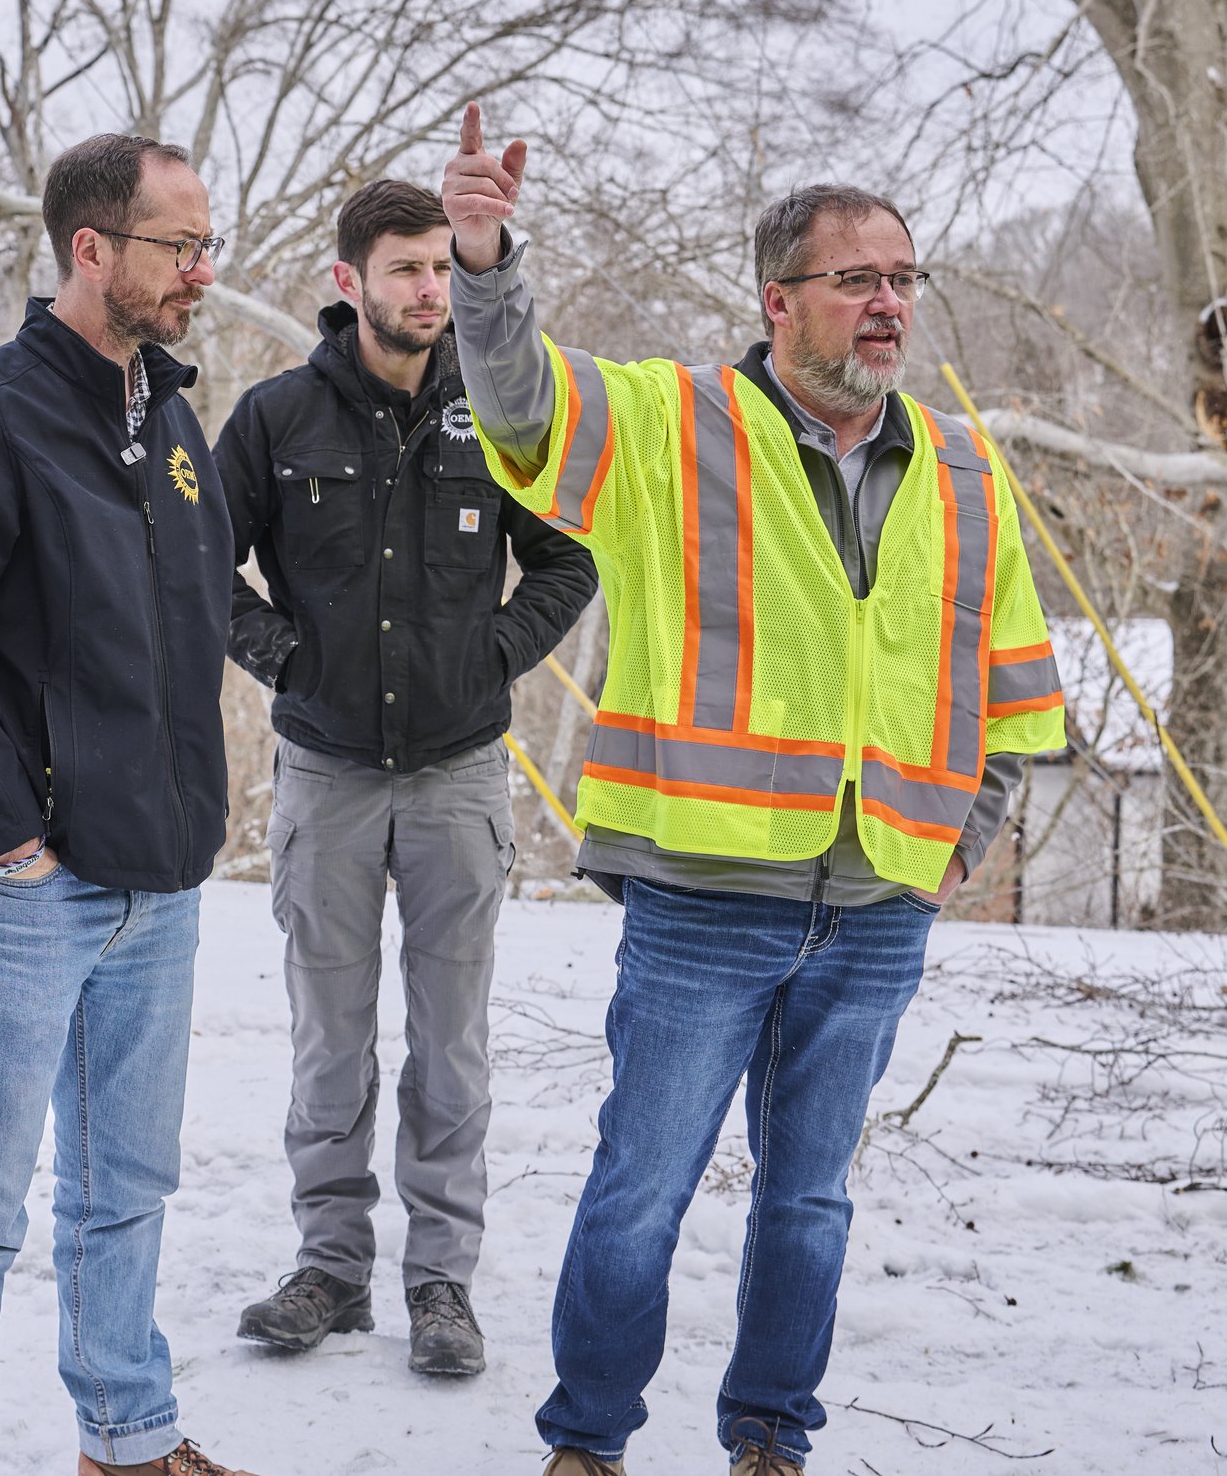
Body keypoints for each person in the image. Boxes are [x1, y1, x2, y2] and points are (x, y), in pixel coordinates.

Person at [438, 105, 1065, 1475]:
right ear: (780, 302)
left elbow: (1013, 687)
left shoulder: (963, 466)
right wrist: (484, 260)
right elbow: (521, 406)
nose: (889, 302)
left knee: (810, 1204)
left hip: (882, 904)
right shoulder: (673, 422)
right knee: (638, 1194)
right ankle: (589, 1441)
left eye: (903, 277)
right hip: (702, 898)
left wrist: (957, 843)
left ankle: (772, 1436)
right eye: (859, 279)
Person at [0, 133, 262, 1476]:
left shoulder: (173, 419)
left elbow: (188, 622)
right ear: (89, 249)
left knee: (125, 1194)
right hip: (19, 891)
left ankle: (128, 1436)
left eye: (208, 243)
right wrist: (9, 837)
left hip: (157, 881)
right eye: (178, 246)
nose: (202, 271)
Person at [212, 179, 596, 1375]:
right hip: (324, 777)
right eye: (407, 268)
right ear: (350, 283)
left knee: (451, 1046)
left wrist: (490, 651)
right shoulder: (276, 421)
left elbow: (570, 555)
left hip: (459, 780)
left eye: (442, 267)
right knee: (330, 1038)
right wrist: (285, 656)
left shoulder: (497, 414)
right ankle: (329, 1267)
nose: (431, 288)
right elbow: (192, 566)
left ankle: (442, 1282)